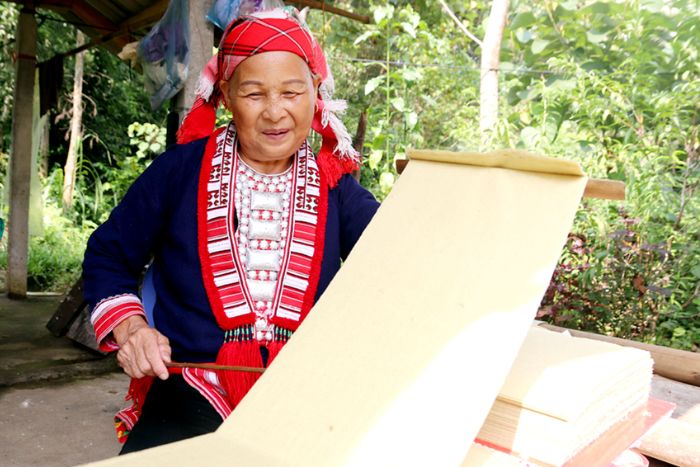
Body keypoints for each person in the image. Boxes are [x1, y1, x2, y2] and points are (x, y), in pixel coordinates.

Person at [82, 8, 379, 454]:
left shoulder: (336, 187)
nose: (275, 112)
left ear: (315, 94)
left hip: (305, 396)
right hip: (191, 388)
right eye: (254, 94)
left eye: (292, 92)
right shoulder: (178, 172)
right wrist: (131, 329)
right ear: (226, 95)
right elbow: (108, 256)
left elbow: (400, 257)